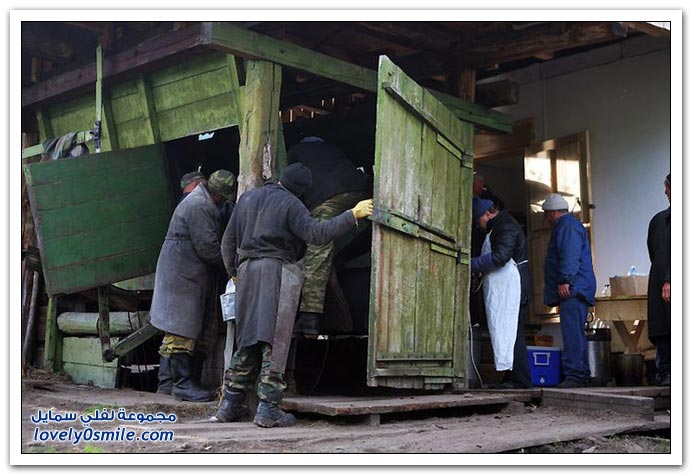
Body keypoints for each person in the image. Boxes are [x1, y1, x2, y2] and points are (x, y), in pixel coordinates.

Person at [215, 163, 373, 428]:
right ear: (301, 191)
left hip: (246, 273)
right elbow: (317, 234)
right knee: (274, 340)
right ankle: (268, 408)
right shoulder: (292, 204)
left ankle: (230, 405)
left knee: (248, 339)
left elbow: (227, 242)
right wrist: (352, 215)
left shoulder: (247, 199)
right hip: (276, 272)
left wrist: (235, 273)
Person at [149, 169, 236, 402]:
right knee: (181, 331)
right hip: (182, 275)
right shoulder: (199, 206)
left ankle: (167, 384)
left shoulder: (200, 200)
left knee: (175, 330)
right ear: (219, 195)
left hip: (182, 272)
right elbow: (208, 248)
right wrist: (232, 266)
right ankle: (183, 385)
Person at [287, 137, 370, 335]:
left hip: (329, 196)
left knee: (318, 248)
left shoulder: (295, 151)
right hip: (361, 190)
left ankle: (309, 318)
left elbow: (287, 187)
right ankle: (343, 258)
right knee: (373, 231)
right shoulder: (333, 148)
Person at [471, 198, 533, 389]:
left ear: (487, 214)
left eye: (478, 220)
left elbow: (501, 256)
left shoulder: (505, 226)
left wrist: (473, 264)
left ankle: (521, 380)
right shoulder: (500, 226)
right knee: (507, 333)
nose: (479, 225)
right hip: (506, 290)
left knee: (513, 335)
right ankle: (511, 377)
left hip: (513, 290)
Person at [542, 193, 596, 388]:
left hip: (574, 288)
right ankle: (581, 374)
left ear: (552, 213)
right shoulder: (571, 225)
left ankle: (575, 375)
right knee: (576, 332)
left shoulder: (566, 227)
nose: (547, 219)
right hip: (579, 287)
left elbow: (569, 255)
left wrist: (565, 280)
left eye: (546, 215)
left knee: (572, 333)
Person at [646, 173, 671, 386]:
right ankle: (665, 372)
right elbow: (654, 253)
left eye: (668, 187)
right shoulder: (658, 221)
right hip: (660, 280)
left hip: (665, 279)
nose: (665, 192)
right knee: (663, 328)